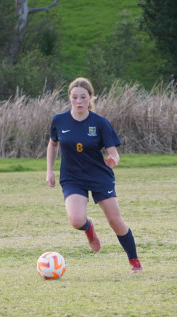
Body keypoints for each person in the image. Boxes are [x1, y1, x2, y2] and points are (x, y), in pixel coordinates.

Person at [46, 77, 143, 273]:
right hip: (72, 177)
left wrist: (113, 159)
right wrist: (49, 170)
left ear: (90, 97)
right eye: (75, 97)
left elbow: (113, 152)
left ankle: (134, 261)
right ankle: (89, 228)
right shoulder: (59, 120)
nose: (79, 101)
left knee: (116, 222)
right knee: (76, 220)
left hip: (98, 176)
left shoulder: (100, 123)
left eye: (83, 97)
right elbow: (53, 144)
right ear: (70, 98)